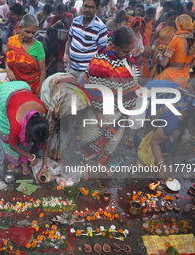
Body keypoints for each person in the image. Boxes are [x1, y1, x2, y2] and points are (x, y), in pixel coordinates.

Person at [81, 27, 140, 175]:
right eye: (125, 51)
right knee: (90, 137)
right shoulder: (101, 62)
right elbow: (94, 93)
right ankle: (86, 165)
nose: (129, 54)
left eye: (130, 50)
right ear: (114, 46)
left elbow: (130, 81)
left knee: (112, 139)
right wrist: (101, 117)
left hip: (118, 109)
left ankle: (102, 162)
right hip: (98, 110)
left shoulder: (124, 57)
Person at [135, 80, 195, 177]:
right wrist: (161, 165)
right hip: (150, 92)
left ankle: (158, 157)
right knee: (144, 127)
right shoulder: (172, 121)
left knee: (166, 134)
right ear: (190, 120)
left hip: (170, 91)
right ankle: (139, 158)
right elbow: (154, 142)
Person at [36, 72, 91, 182]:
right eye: (74, 118)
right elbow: (48, 134)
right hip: (51, 87)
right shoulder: (56, 104)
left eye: (77, 119)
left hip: (70, 87)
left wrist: (86, 166)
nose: (76, 121)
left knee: (67, 131)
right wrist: (44, 166)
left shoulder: (85, 106)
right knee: (53, 128)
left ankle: (59, 157)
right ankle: (54, 156)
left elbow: (86, 137)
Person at [0, 81, 48, 175]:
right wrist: (31, 156)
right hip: (1, 95)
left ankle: (24, 162)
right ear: (26, 130)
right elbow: (13, 145)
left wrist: (44, 165)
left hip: (22, 86)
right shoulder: (16, 125)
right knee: (6, 135)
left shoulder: (43, 111)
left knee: (27, 141)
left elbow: (46, 139)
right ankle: (14, 161)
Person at [63, 0, 108, 83]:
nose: (87, 9)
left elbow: (102, 52)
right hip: (71, 68)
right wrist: (66, 54)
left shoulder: (101, 28)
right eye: (85, 6)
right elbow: (69, 40)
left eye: (91, 7)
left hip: (86, 72)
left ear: (96, 9)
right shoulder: (75, 21)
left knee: (82, 95)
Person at [6, 14, 46, 94]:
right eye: (27, 32)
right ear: (20, 28)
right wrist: (9, 70)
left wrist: (40, 93)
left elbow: (42, 72)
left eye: (33, 33)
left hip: (33, 88)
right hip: (15, 86)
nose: (30, 35)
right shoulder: (12, 41)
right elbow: (7, 60)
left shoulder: (38, 46)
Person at [157, 14, 195, 89]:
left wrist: (159, 55)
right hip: (184, 77)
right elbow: (193, 64)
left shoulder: (176, 40)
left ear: (179, 25)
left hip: (169, 76)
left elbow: (163, 63)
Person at [150, 10, 177, 78]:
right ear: (167, 18)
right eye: (171, 19)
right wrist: (150, 46)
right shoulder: (162, 25)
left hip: (168, 51)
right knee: (155, 65)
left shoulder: (177, 28)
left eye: (175, 19)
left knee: (163, 66)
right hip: (158, 49)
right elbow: (154, 37)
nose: (173, 21)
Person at [47, 3, 73, 72]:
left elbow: (72, 28)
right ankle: (57, 73)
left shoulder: (68, 16)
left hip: (66, 41)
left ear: (64, 12)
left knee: (66, 56)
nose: (61, 15)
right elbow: (48, 29)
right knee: (59, 57)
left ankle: (66, 72)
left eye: (62, 13)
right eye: (59, 13)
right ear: (56, 12)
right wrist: (55, 24)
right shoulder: (54, 19)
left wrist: (67, 23)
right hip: (57, 42)